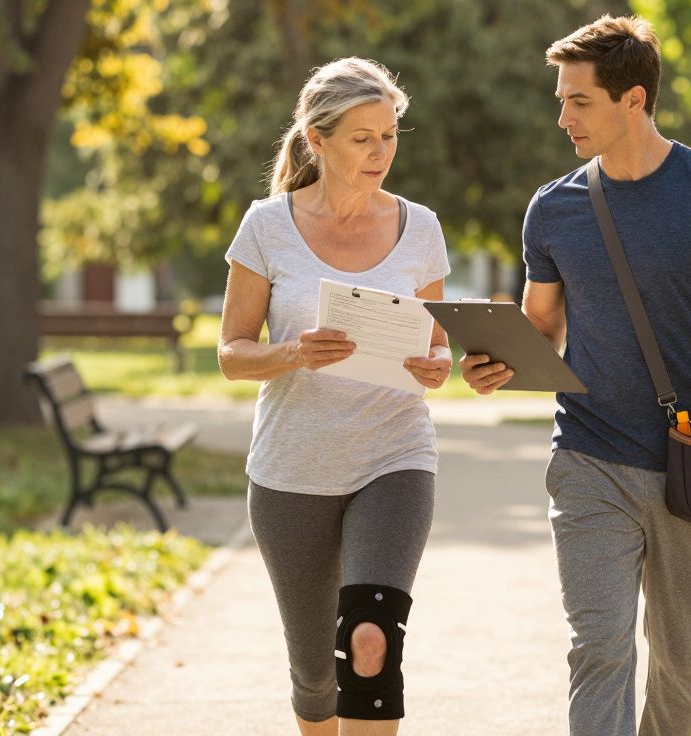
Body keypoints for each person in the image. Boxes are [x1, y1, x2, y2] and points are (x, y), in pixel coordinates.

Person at [460, 15, 691, 736]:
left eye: (578, 101)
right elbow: (540, 326)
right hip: (588, 456)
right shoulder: (554, 209)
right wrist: (493, 359)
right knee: (599, 650)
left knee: (682, 660)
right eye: (560, 98)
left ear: (633, 100)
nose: (561, 117)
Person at [217, 57, 452, 736]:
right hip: (293, 469)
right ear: (316, 140)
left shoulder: (422, 228)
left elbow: (435, 348)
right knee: (317, 676)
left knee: (371, 645)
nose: (382, 152)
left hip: (394, 457)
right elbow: (231, 353)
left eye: (390, 135)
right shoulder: (266, 227)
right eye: (363, 138)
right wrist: (293, 353)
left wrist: (438, 366)